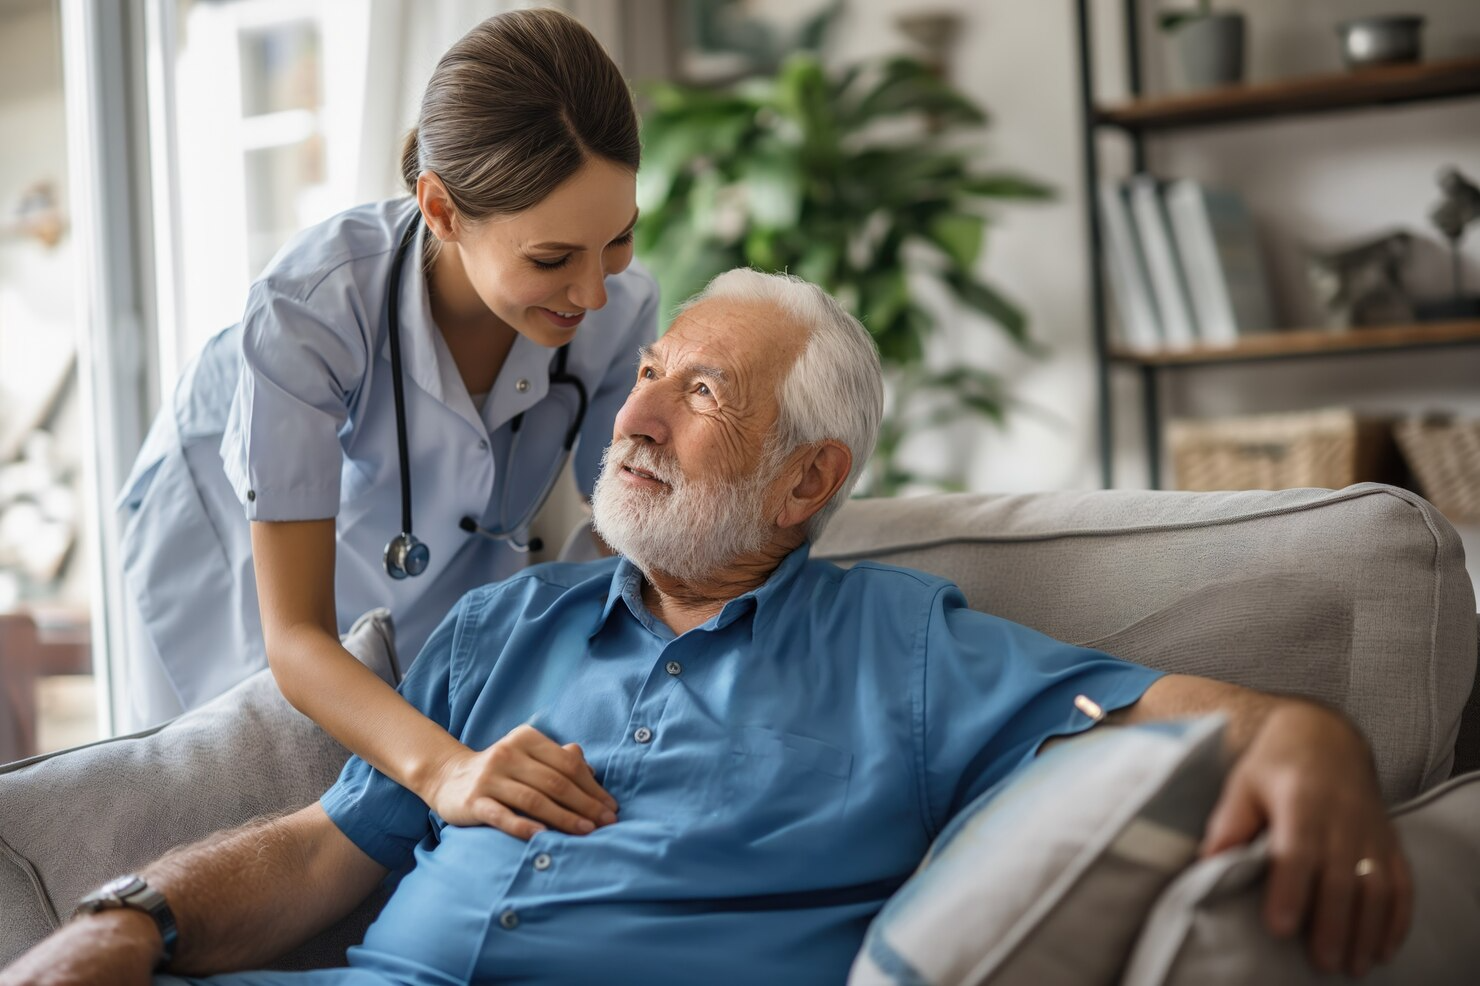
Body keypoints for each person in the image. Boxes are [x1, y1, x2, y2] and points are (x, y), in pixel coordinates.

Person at [16, 271, 1408, 985]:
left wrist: (1314, 734)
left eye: (702, 396)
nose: (629, 415)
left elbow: (1169, 715)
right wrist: (131, 919)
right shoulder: (506, 621)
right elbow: (337, 841)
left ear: (808, 478)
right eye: (649, 376)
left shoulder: (904, 647)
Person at [115, 9, 656, 830]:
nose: (592, 292)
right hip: (226, 529)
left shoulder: (620, 312)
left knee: (409, 778)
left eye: (617, 239)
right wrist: (445, 771)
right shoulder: (309, 311)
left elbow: (624, 539)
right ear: (440, 210)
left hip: (425, 546)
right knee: (248, 793)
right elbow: (294, 640)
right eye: (551, 259)